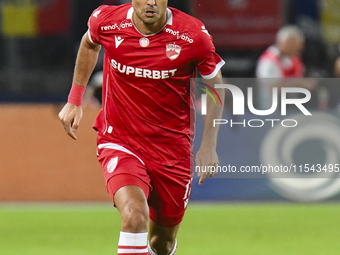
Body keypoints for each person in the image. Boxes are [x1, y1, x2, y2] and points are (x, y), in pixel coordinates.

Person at [58, 1, 225, 255]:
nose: (151, 2)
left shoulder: (193, 36)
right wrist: (75, 98)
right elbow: (89, 43)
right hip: (120, 140)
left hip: (172, 151)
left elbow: (215, 88)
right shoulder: (107, 20)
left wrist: (209, 145)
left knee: (162, 243)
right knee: (135, 216)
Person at [256, 25, 316, 109]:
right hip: (271, 109)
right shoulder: (269, 60)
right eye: (296, 45)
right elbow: (273, 87)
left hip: (291, 108)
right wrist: (299, 83)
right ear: (287, 43)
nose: (300, 49)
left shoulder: (293, 59)